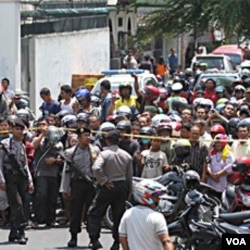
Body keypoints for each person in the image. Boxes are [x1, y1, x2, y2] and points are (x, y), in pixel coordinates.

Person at [87, 130, 133, 250]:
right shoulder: (126, 155)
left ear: (107, 140)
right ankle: (117, 242)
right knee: (118, 215)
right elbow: (129, 175)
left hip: (108, 186)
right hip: (122, 185)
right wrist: (129, 189)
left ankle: (94, 239)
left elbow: (96, 168)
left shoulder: (104, 154)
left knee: (95, 212)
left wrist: (103, 180)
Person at [60, 126, 100, 248]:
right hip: (77, 184)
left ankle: (94, 238)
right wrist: (64, 188)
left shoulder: (95, 150)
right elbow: (66, 171)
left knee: (92, 212)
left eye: (89, 135)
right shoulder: (70, 152)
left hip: (92, 184)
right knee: (75, 211)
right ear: (78, 138)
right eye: (85, 135)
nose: (88, 138)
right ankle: (73, 236)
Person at [0, 118, 34, 244]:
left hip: (22, 177)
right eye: (15, 129)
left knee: (23, 204)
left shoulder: (22, 145)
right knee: (16, 204)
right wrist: (1, 180)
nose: (18, 132)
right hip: (10, 178)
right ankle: (21, 232)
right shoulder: (4, 145)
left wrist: (30, 181)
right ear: (11, 130)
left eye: (20, 129)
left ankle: (13, 231)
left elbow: (25, 164)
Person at [119, 179, 174, 250]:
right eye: (155, 196)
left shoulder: (127, 214)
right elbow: (166, 241)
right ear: (146, 196)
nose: (158, 199)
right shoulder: (157, 217)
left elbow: (122, 238)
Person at [31, 121, 64, 227]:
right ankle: (38, 218)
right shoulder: (40, 140)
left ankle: (51, 219)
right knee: (41, 195)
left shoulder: (59, 144)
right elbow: (33, 146)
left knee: (52, 197)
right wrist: (42, 135)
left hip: (53, 173)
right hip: (41, 172)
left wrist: (54, 160)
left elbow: (62, 159)